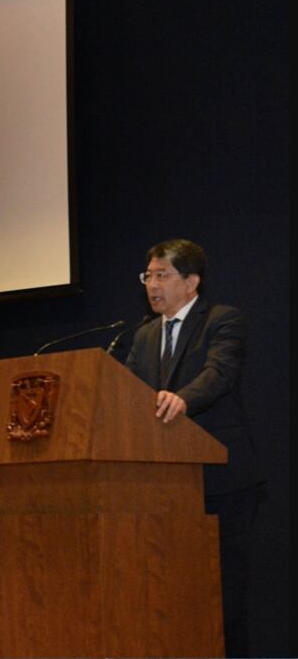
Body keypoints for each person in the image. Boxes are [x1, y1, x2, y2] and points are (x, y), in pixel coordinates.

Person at [124, 239, 263, 657]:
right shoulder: (145, 335)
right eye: (148, 276)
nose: (152, 285)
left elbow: (219, 372)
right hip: (164, 487)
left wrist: (182, 397)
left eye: (162, 275)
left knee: (222, 594)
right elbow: (127, 391)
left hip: (223, 482)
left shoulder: (222, 320)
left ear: (191, 282)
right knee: (172, 593)